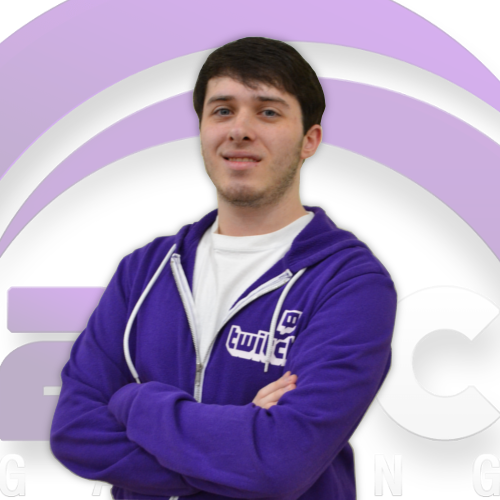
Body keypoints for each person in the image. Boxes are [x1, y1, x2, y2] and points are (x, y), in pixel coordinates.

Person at [50, 37, 397, 500]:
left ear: (309, 140)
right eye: (222, 111)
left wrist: (134, 401)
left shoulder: (350, 284)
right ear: (202, 130)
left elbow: (281, 463)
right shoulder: (144, 272)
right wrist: (241, 441)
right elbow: (74, 432)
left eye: (268, 112)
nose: (240, 129)